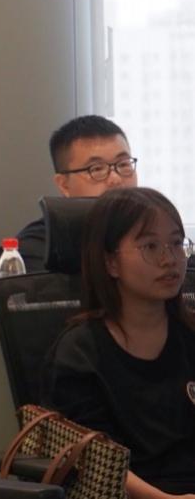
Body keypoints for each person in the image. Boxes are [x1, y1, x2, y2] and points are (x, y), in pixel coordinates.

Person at [42, 187, 195, 499]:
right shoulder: (80, 352)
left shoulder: (189, 332)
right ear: (110, 262)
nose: (169, 259)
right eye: (150, 246)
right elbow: (93, 463)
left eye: (176, 243)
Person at [16, 115, 138, 271]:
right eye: (97, 169)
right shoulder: (40, 245)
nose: (116, 179)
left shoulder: (154, 229)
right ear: (64, 185)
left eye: (124, 164)